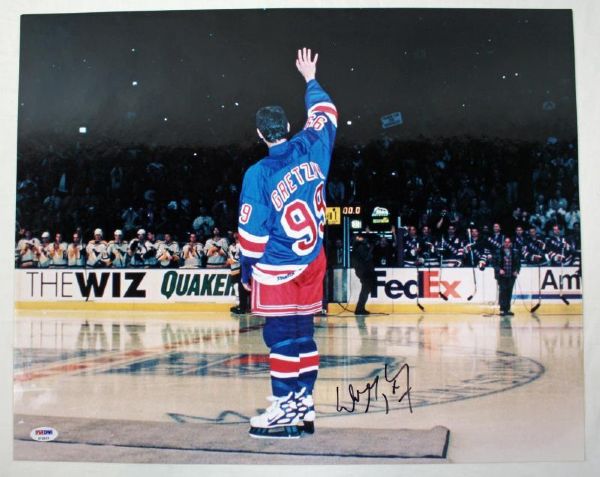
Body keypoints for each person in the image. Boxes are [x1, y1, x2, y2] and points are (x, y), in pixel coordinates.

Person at [238, 48, 336, 439]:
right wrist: (310, 79)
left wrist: (247, 270)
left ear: (260, 134)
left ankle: (283, 409)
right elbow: (326, 113)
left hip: (278, 265)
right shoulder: (313, 145)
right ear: (290, 125)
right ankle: (304, 403)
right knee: (304, 333)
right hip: (313, 258)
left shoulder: (258, 173)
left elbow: (252, 236)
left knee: (279, 338)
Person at [494, 237, 521, 317]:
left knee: (509, 292)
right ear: (503, 243)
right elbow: (494, 263)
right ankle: (502, 310)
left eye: (508, 242)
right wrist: (499, 270)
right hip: (502, 276)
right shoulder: (498, 251)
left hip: (511, 275)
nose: (507, 243)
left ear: (510, 243)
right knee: (503, 292)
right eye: (505, 242)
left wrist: (517, 271)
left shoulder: (515, 252)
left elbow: (518, 263)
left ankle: (508, 309)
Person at [351, 233, 375, 315]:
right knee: (365, 290)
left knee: (365, 290)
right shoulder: (360, 247)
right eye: (361, 238)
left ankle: (360, 308)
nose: (364, 239)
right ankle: (359, 309)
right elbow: (366, 257)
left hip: (363, 270)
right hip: (364, 271)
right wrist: (370, 249)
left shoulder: (358, 246)